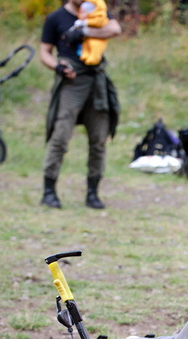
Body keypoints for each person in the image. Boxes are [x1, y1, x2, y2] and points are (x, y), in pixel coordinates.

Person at [38, 0, 121, 210]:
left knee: (99, 140)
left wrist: (83, 31)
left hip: (96, 80)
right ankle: (49, 192)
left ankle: (92, 194)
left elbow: (114, 29)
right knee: (60, 138)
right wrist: (57, 67)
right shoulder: (56, 18)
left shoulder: (96, 11)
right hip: (71, 82)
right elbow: (44, 53)